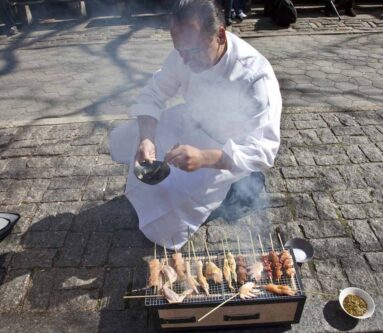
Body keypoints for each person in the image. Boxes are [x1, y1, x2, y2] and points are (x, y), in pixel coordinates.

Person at [109, 0, 282, 250]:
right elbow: (153, 93)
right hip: (192, 123)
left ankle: (241, 191)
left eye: (192, 52)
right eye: (179, 51)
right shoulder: (184, 52)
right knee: (136, 136)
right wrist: (147, 138)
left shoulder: (255, 77)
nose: (185, 60)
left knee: (168, 223)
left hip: (225, 151)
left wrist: (203, 157)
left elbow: (263, 150)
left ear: (220, 35)